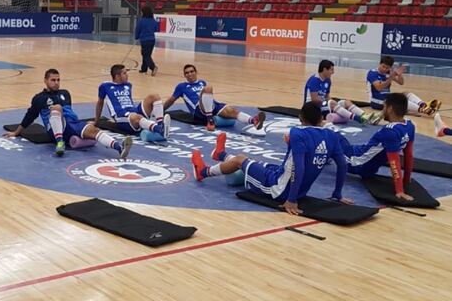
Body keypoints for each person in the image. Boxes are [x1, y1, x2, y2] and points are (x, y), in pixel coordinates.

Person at [190, 102, 351, 215]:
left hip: (278, 188)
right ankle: (221, 155)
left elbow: (299, 168)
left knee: (240, 160)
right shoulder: (331, 136)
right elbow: (342, 165)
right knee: (260, 164)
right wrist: (337, 193)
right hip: (292, 183)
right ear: (320, 119)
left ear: (301, 118)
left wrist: (292, 199)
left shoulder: (298, 133)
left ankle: (203, 172)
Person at [4, 68, 133, 158]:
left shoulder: (65, 93)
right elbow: (30, 116)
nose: (56, 83)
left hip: (71, 124)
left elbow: (70, 113)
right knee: (57, 108)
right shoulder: (39, 98)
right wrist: (16, 132)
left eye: (58, 80)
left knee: (93, 130)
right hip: (54, 129)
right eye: (53, 80)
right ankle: (60, 143)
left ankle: (119, 148)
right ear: (45, 81)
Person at [333, 93, 416, 201]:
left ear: (390, 109)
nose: (383, 110)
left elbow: (394, 163)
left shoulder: (390, 131)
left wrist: (399, 191)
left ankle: (323, 124)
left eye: (385, 107)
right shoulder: (409, 126)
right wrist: (406, 179)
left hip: (355, 162)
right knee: (339, 140)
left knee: (332, 137)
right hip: (369, 168)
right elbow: (408, 155)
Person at [163, 63, 266, 132]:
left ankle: (254, 121)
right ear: (184, 75)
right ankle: (210, 120)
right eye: (187, 73)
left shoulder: (202, 82)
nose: (190, 74)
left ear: (196, 72)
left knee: (232, 111)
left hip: (212, 105)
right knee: (208, 88)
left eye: (191, 71)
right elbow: (171, 100)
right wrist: (160, 110)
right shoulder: (181, 87)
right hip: (198, 110)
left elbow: (208, 98)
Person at [96, 64, 170, 138]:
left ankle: (161, 125)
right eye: (124, 73)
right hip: (121, 116)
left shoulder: (128, 85)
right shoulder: (105, 86)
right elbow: (100, 102)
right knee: (135, 117)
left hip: (134, 112)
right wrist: (97, 121)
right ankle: (158, 130)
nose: (127, 75)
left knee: (154, 96)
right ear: (117, 76)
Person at [304, 59, 381, 125]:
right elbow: (314, 100)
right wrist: (330, 103)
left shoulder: (328, 80)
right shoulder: (314, 80)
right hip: (312, 108)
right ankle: (358, 119)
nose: (333, 72)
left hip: (322, 106)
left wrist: (333, 102)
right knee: (333, 103)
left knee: (346, 102)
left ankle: (365, 116)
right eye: (331, 70)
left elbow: (327, 96)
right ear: (324, 69)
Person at [367, 55, 440, 115]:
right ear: (380, 64)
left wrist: (399, 75)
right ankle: (423, 110)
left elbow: (401, 82)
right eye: (383, 66)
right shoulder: (372, 73)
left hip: (387, 98)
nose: (385, 69)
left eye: (387, 67)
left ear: (390, 67)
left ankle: (424, 105)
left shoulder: (389, 72)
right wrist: (391, 78)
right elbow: (379, 88)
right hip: (377, 102)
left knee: (406, 93)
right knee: (400, 100)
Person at [135, 6, 159, 75]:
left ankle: (153, 67)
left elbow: (137, 29)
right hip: (152, 39)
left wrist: (136, 37)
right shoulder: (153, 20)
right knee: (146, 54)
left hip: (144, 40)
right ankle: (144, 69)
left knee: (145, 55)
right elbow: (156, 28)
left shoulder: (141, 20)